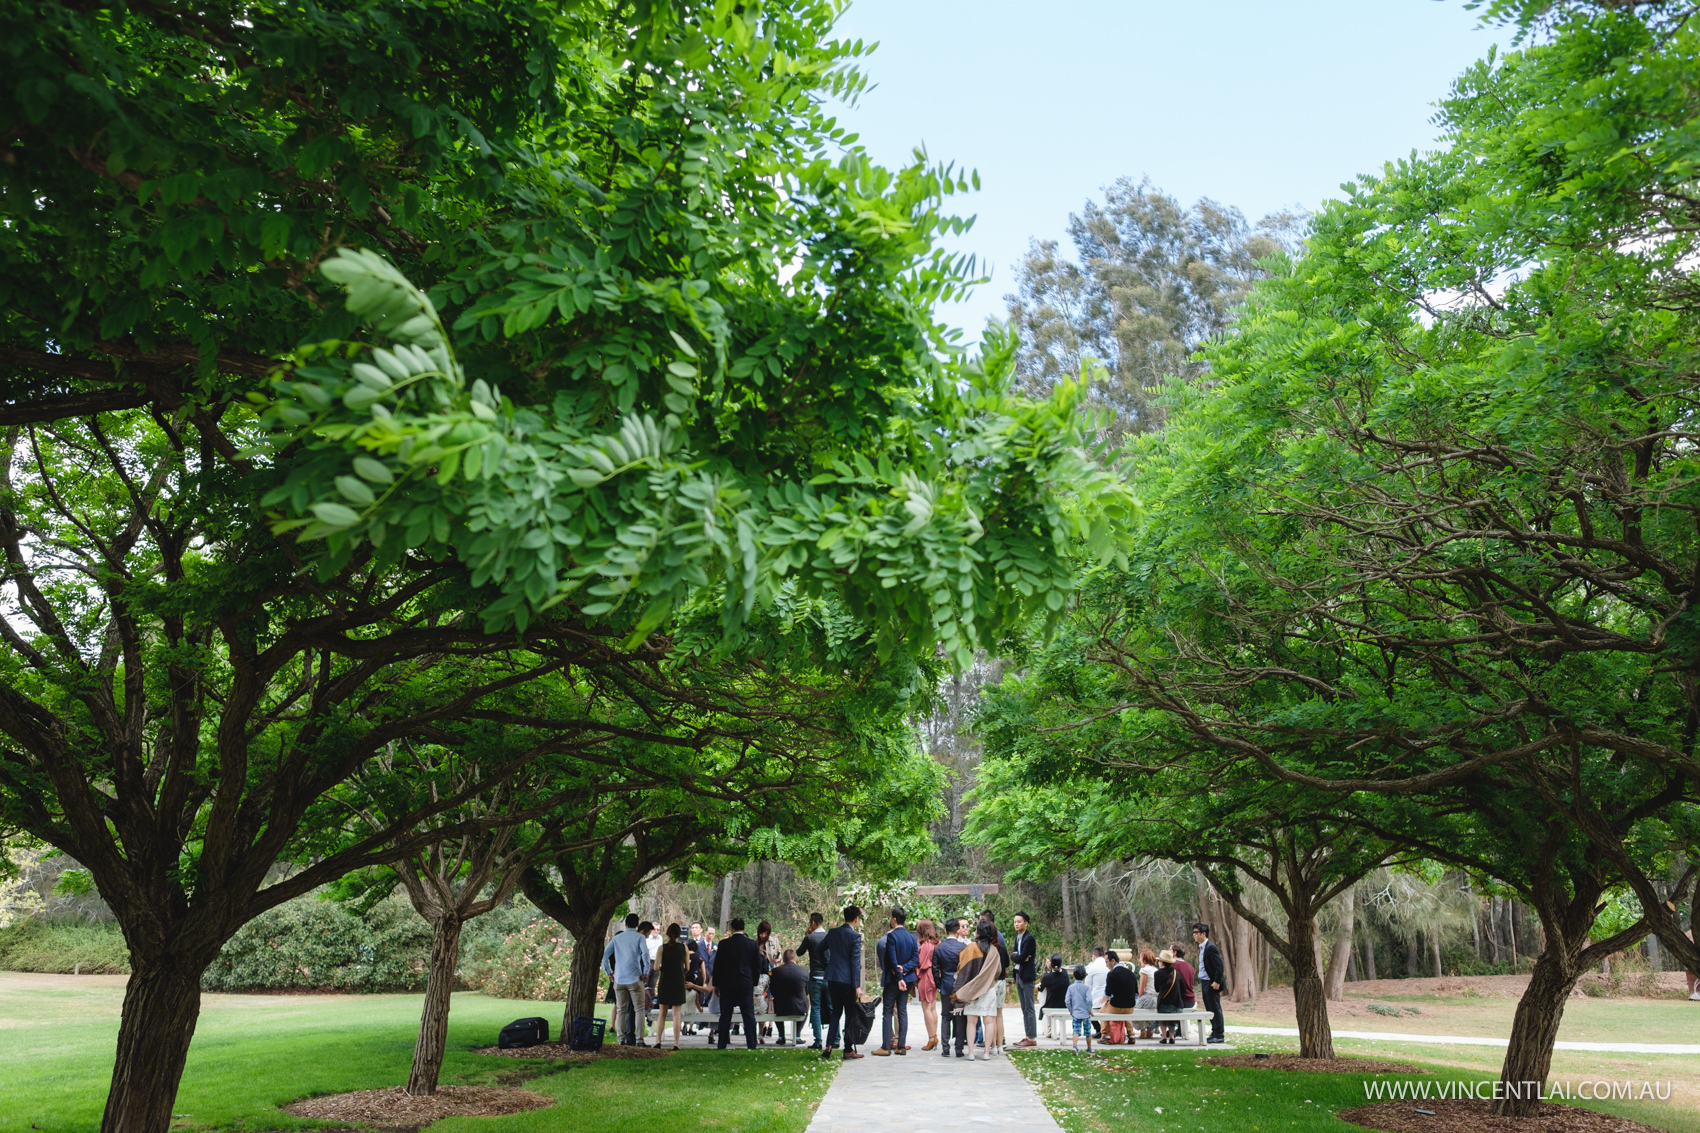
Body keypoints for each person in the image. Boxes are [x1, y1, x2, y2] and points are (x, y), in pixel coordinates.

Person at [953, 921, 1007, 1061]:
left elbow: (962, 968)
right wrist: (986, 980)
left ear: (978, 933)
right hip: (988, 990)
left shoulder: (970, 947)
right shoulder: (994, 951)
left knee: (971, 1021)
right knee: (989, 1021)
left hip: (972, 991)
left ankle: (970, 1052)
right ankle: (987, 1053)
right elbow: (998, 971)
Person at [709, 917, 766, 1050]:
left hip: (727, 984)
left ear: (731, 929)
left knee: (725, 1015)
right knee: (748, 1015)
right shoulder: (751, 944)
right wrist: (753, 980)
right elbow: (758, 963)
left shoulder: (723, 944)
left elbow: (717, 966)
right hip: (745, 984)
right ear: (744, 928)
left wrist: (716, 984)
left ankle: (722, 1044)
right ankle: (751, 1044)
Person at [600, 913, 652, 1045]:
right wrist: (646, 971)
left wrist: (608, 972)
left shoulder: (618, 938)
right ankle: (639, 1040)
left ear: (626, 924)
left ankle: (621, 1039)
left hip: (619, 978)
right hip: (635, 978)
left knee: (621, 1010)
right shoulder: (640, 937)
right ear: (637, 924)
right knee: (639, 1009)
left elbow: (605, 955)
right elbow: (645, 954)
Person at [823, 905, 866, 1060]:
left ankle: (829, 1045)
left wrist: (828, 964)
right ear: (856, 919)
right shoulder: (854, 937)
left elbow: (819, 949)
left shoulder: (833, 932)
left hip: (832, 977)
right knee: (849, 1014)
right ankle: (848, 1049)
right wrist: (857, 986)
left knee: (835, 1012)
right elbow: (855, 962)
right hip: (847, 980)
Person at [874, 906, 918, 1055]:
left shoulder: (891, 937)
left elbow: (892, 960)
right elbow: (915, 959)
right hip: (908, 978)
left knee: (887, 1011)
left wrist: (899, 974)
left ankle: (886, 1047)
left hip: (894, 980)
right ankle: (901, 1046)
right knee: (902, 1011)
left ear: (893, 919)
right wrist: (904, 968)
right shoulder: (912, 937)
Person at [933, 917, 967, 1058]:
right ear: (958, 931)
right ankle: (959, 1049)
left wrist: (939, 985)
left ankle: (945, 1048)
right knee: (960, 1017)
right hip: (960, 987)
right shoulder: (963, 948)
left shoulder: (939, 948)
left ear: (945, 931)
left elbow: (934, 969)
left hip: (946, 986)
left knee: (946, 1016)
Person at [796, 912, 830, 1049]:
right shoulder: (830, 937)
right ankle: (835, 1039)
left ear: (813, 923)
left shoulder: (810, 938)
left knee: (815, 1009)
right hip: (829, 977)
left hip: (815, 977)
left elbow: (798, 953)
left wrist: (806, 937)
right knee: (833, 1009)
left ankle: (818, 1041)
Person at [655, 923, 691, 1050]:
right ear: (679, 934)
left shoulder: (662, 948)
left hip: (665, 981)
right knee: (677, 1014)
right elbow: (687, 968)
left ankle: (658, 1041)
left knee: (662, 1013)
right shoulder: (684, 948)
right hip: (678, 982)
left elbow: (655, 967)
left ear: (668, 933)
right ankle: (676, 1043)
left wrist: (664, 967)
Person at [768, 949, 811, 1046]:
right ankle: (797, 1036)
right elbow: (807, 991)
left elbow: (773, 990)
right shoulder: (804, 971)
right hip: (799, 1006)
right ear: (795, 958)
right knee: (806, 1002)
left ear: (783, 959)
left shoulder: (775, 972)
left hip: (781, 1006)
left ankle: (781, 1036)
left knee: (775, 1004)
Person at [1193, 922, 1226, 1043]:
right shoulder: (1202, 947)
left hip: (1211, 982)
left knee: (1215, 1008)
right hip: (1205, 981)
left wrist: (1217, 981)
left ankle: (1219, 1035)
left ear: (1203, 933)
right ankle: (1215, 1032)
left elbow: (1219, 965)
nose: (1194, 935)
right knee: (1209, 1008)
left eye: (1196, 932)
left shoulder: (1210, 947)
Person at [1009, 912, 1038, 1048]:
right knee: (1023, 1007)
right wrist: (1018, 956)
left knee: (1029, 1007)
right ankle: (1027, 1036)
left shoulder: (1029, 938)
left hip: (1027, 976)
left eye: (1019, 922)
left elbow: (1021, 957)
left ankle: (1031, 1037)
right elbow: (1015, 956)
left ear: (1026, 923)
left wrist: (1018, 956)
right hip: (1019, 974)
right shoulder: (1018, 938)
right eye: (1015, 922)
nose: (1016, 924)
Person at [1101, 949, 1137, 1043]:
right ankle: (1131, 1035)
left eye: (1106, 962)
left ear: (1113, 961)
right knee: (1126, 1014)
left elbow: (1108, 993)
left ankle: (1105, 1035)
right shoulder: (1131, 973)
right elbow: (1136, 994)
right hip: (1130, 1007)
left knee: (1102, 1011)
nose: (1106, 965)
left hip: (1116, 1007)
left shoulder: (1111, 974)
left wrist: (1104, 999)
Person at [915, 918, 940, 1050]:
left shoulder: (926, 945)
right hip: (935, 976)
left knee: (926, 1008)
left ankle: (931, 1038)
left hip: (926, 975)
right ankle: (934, 1036)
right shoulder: (937, 943)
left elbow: (921, 964)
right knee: (933, 1007)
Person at [755, 921, 781, 1041]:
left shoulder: (774, 941)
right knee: (760, 1001)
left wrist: (778, 959)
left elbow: (779, 955)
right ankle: (761, 1030)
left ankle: (770, 1027)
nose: (763, 935)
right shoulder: (755, 944)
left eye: (765, 933)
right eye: (761, 933)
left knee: (771, 1000)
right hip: (761, 976)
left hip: (773, 974)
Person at [1153, 949, 1183, 1044]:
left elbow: (1157, 989)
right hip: (1177, 1005)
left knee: (1163, 1014)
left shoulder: (1158, 973)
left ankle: (1164, 1036)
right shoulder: (1177, 974)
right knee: (1171, 1015)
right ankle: (1172, 1036)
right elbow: (1183, 989)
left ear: (1161, 962)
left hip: (1163, 1003)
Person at [1040, 954, 1071, 1040]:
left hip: (1051, 1005)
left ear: (1050, 964)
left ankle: (1049, 1027)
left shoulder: (1047, 977)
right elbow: (1057, 972)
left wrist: (1049, 969)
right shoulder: (1065, 973)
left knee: (1045, 1002)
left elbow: (1041, 988)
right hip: (1064, 1005)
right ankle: (1061, 1029)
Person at [1065, 964, 1094, 1053]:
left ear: (1073, 975)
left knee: (1076, 1030)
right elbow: (1089, 1000)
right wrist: (1089, 1010)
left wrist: (1071, 1010)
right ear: (1085, 976)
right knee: (1088, 1032)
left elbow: (1067, 1001)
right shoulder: (1086, 988)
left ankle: (1075, 1046)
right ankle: (1089, 1048)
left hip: (1076, 1013)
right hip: (1085, 1013)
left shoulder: (1070, 988)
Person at [1135, 947, 1160, 1039]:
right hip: (1156, 999)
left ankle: (1142, 1032)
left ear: (1145, 959)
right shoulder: (1155, 970)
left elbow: (1142, 988)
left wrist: (1139, 998)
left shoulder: (1144, 970)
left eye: (1140, 957)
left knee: (1136, 1008)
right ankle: (1150, 1030)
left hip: (1148, 998)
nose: (1139, 960)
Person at [1084, 946, 1109, 1037]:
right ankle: (1104, 1030)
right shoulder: (1108, 966)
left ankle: (1098, 1029)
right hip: (1108, 999)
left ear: (1093, 956)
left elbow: (1088, 986)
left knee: (1087, 1009)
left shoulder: (1091, 967)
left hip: (1095, 999)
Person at [1172, 942, 1197, 1009]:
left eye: (1169, 950)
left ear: (1174, 953)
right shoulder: (1190, 966)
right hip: (1191, 1000)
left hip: (1179, 1001)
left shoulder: (1173, 966)